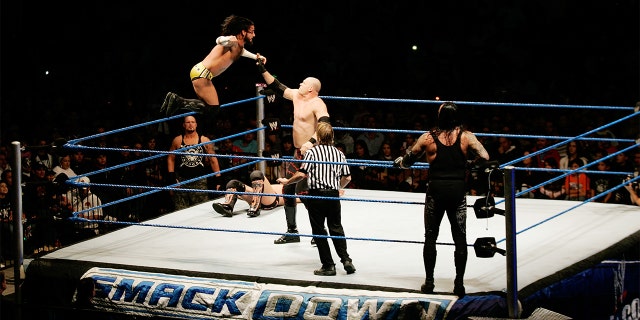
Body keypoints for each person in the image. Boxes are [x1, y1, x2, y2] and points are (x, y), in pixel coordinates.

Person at [393, 102, 490, 297]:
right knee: (460, 238)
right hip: (457, 191)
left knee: (430, 236)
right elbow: (485, 156)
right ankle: (459, 284)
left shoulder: (428, 138)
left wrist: (399, 163)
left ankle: (429, 283)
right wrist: (469, 164)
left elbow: (408, 160)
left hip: (435, 191)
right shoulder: (466, 137)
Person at [257, 57, 330, 245]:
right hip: (298, 152)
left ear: (311, 89)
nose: (300, 84)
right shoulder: (298, 95)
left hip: (314, 154)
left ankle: (319, 232)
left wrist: (311, 142)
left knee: (307, 194)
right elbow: (278, 86)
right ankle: (292, 231)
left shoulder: (318, 104)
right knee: (288, 189)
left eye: (304, 83)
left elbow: (325, 125)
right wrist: (261, 68)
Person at [277, 122, 355, 276]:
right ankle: (346, 260)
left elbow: (301, 174)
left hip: (316, 195)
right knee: (336, 228)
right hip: (332, 195)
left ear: (318, 137)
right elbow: (348, 177)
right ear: (332, 137)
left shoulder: (312, 153)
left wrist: (287, 181)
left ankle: (328, 266)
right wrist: (337, 187)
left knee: (319, 230)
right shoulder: (339, 154)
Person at [160, 15, 267, 117]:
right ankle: (178, 101)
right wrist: (227, 39)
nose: (254, 35)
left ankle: (177, 101)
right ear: (243, 32)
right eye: (252, 32)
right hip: (203, 74)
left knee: (209, 107)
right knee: (213, 109)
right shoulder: (233, 41)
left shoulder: (238, 46)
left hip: (202, 72)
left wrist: (256, 57)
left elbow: (241, 51)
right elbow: (219, 40)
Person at [167, 116, 222, 211]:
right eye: (188, 122)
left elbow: (213, 160)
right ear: (184, 125)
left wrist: (219, 179)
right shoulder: (178, 140)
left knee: (201, 211)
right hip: (182, 181)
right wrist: (171, 177)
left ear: (196, 125)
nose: (190, 124)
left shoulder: (204, 140)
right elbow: (170, 158)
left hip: (199, 181)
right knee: (180, 211)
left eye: (193, 122)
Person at [212, 170, 285, 217]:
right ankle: (228, 207)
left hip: (270, 199)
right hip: (257, 194)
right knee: (233, 183)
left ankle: (255, 207)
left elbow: (295, 198)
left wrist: (287, 182)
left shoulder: (291, 189)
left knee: (256, 174)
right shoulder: (268, 186)